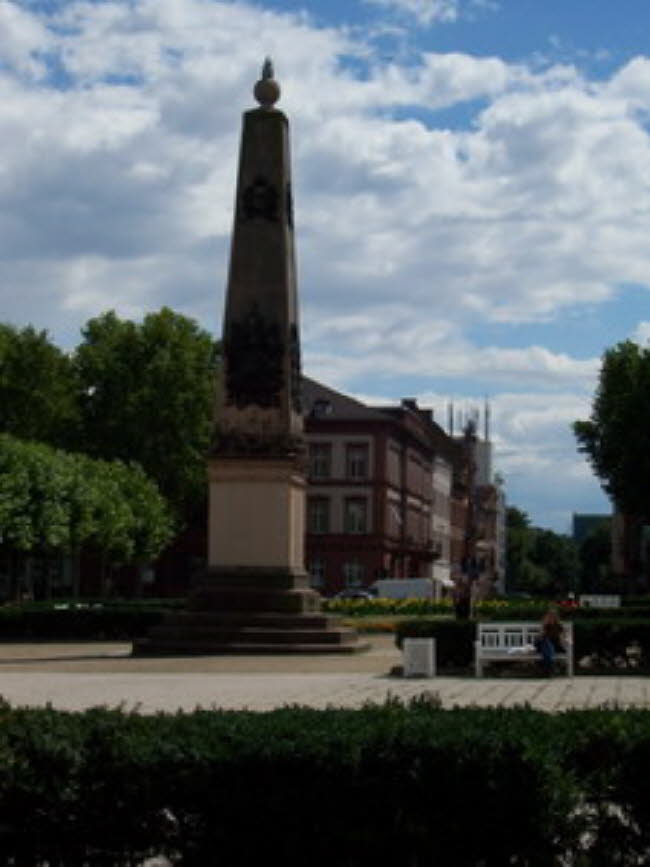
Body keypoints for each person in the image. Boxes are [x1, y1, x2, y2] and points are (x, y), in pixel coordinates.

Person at [536, 608, 565, 676]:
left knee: (547, 646)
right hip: (543, 645)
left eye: (553, 616)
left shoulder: (559, 626)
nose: (551, 618)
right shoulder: (545, 626)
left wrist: (563, 641)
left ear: (556, 617)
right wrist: (544, 626)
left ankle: (547, 670)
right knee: (545, 642)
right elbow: (540, 637)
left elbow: (562, 638)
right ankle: (550, 668)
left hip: (554, 646)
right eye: (549, 616)